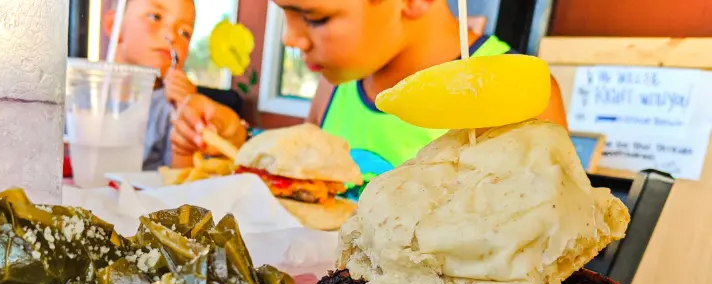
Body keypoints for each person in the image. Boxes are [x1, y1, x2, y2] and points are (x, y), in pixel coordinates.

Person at [170, 0, 568, 181]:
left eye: (314, 16)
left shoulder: (521, 95)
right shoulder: (334, 84)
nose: (290, 38)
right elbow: (310, 180)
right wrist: (238, 139)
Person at [102, 0, 198, 170]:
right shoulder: (77, 94)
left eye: (185, 32)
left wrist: (186, 117)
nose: (172, 35)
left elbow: (184, 184)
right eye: (155, 17)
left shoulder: (170, 108)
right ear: (114, 25)